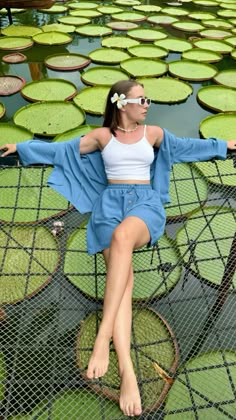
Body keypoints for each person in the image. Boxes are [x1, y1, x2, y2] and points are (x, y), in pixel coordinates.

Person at [1, 79, 236, 417]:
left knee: (124, 238)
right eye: (142, 99)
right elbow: (61, 151)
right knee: (122, 285)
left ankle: (103, 338)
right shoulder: (102, 137)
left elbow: (186, 147)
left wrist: (222, 145)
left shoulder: (153, 133)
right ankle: (127, 370)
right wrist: (21, 149)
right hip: (109, 207)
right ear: (121, 103)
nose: (147, 104)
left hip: (144, 206)